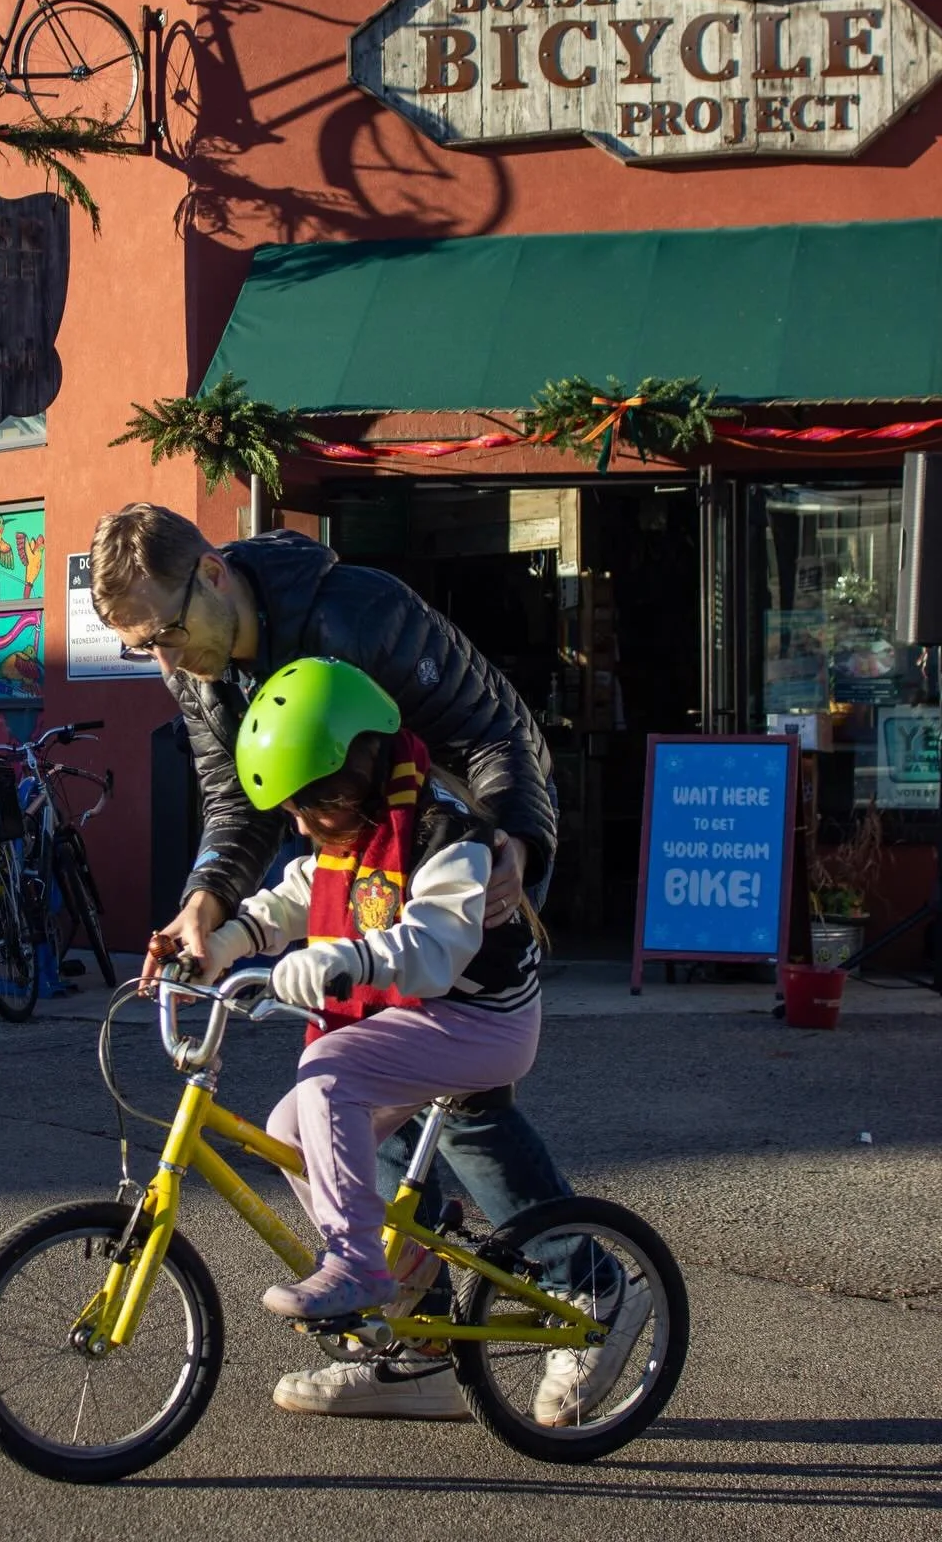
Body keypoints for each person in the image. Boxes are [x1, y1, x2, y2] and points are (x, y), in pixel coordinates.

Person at [90, 503, 638, 1419]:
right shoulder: (198, 669)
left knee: (460, 1111)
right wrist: (208, 908)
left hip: (453, 858)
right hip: (358, 875)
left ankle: (587, 1287)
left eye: (169, 634)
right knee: (330, 1120)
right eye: (142, 648)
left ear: (214, 573)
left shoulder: (359, 613)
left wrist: (515, 837)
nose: (166, 662)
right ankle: (420, 1343)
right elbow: (238, 804)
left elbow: (495, 729)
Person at [202, 657, 544, 1321]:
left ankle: (357, 1263)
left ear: (349, 783)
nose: (300, 827)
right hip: (426, 1015)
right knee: (288, 1131)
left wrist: (343, 961)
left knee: (330, 1072)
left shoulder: (445, 833)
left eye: (307, 808)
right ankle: (407, 1281)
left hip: (483, 1021)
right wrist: (226, 943)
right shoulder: (360, 828)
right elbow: (300, 894)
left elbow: (435, 950)